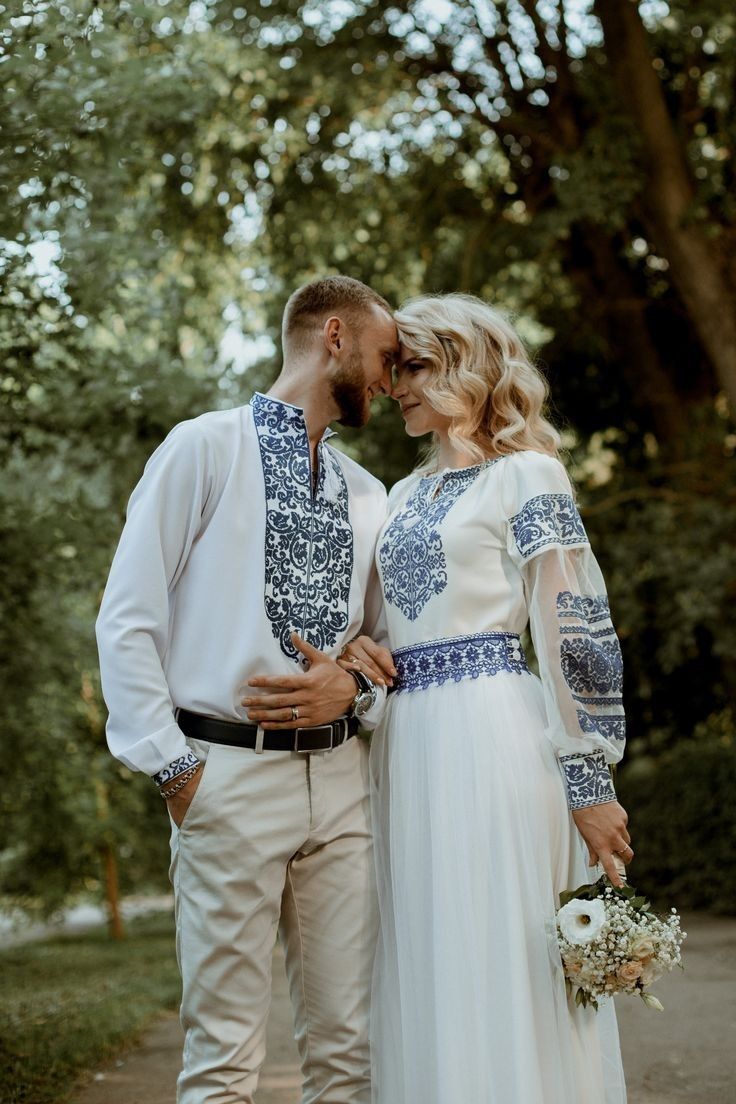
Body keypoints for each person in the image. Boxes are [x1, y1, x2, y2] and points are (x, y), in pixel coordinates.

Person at [95, 275, 399, 1104]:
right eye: (384, 355)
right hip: (223, 777)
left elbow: (382, 652)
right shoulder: (203, 447)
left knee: (348, 1054)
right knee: (224, 1062)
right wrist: (174, 770)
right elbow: (127, 620)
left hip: (342, 791)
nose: (390, 377)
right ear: (334, 335)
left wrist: (352, 691)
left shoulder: (369, 495)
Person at [342, 293, 631, 1103]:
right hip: (407, 747)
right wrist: (364, 654)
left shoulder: (527, 475)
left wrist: (590, 780)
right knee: (432, 957)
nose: (396, 384)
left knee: (506, 953)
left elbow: (573, 631)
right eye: (394, 367)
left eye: (417, 366)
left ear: (470, 367)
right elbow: (382, 628)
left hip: (496, 730)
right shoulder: (397, 497)